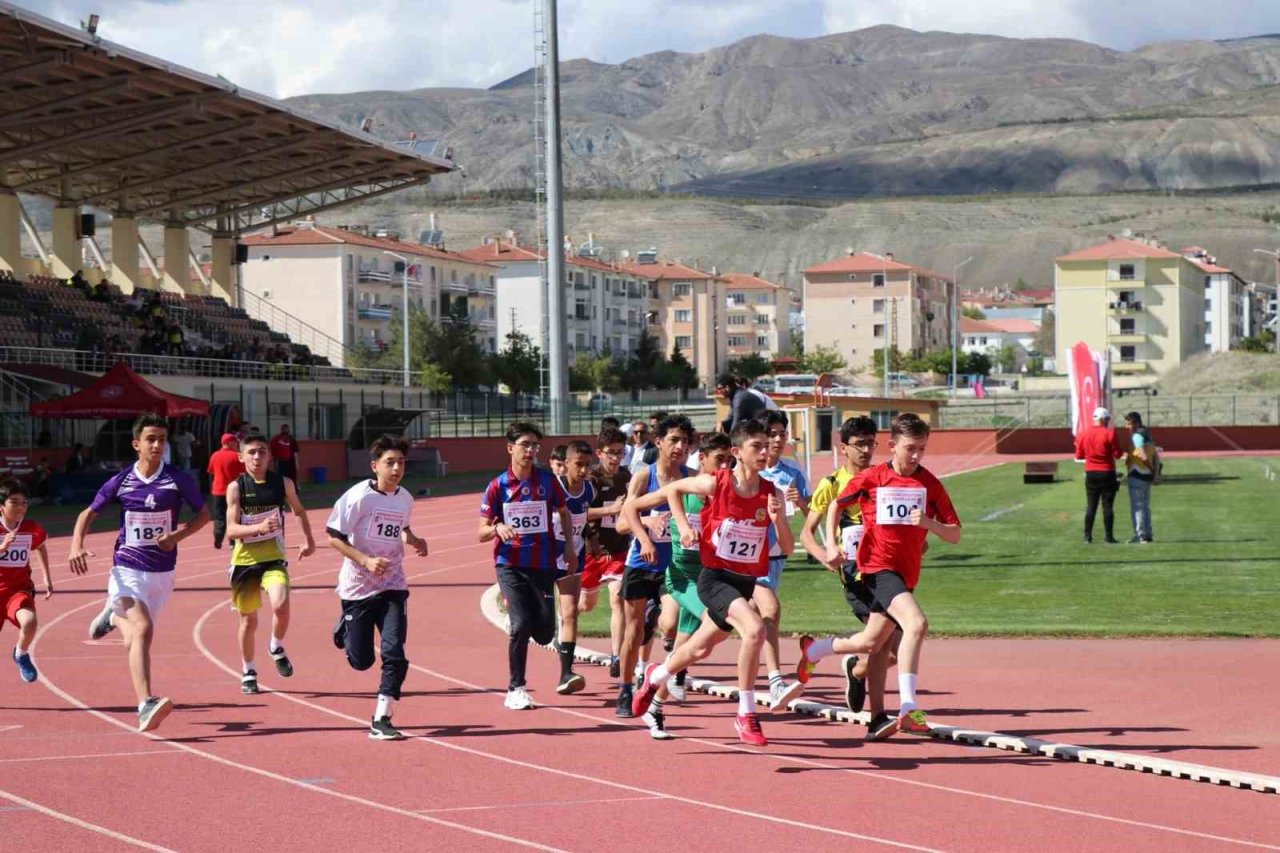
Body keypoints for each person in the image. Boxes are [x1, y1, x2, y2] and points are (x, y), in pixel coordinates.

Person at [796, 413, 961, 738]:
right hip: (875, 568)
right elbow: (836, 506)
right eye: (910, 448)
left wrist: (930, 525)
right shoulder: (873, 478)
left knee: (872, 642)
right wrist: (830, 545)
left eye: (922, 449)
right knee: (916, 624)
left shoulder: (929, 484)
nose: (915, 456)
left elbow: (955, 534)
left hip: (906, 572)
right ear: (893, 446)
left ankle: (815, 650)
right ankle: (908, 708)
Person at [630, 419, 793, 746]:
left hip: (745, 580)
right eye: (756, 447)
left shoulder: (770, 492)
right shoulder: (715, 483)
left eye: (768, 445)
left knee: (699, 648)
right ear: (737, 453)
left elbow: (786, 549)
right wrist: (683, 526)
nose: (765, 452)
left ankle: (656, 676)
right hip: (714, 578)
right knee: (755, 629)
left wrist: (778, 520)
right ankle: (746, 713)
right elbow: (674, 490)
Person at [70, 412, 209, 733]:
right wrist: (76, 545)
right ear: (137, 444)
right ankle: (145, 703)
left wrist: (177, 536)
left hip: (163, 573)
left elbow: (203, 516)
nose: (157, 444)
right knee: (143, 628)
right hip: (127, 568)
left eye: (162, 439)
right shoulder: (122, 480)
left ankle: (112, 616)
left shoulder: (177, 479)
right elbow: (86, 514)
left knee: (134, 640)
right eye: (150, 439)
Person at [618, 432, 732, 739]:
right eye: (718, 460)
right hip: (678, 574)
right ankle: (634, 686)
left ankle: (656, 699)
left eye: (728, 461)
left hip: (711, 575)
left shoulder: (728, 491)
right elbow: (628, 512)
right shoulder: (681, 487)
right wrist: (647, 533)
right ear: (703, 460)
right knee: (706, 623)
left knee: (690, 646)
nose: (723, 466)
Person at [799, 417, 900, 734]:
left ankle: (856, 671)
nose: (867, 450)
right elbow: (806, 533)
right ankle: (878, 716)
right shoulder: (831, 484)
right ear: (843, 448)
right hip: (857, 578)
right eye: (860, 444)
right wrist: (825, 555)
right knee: (882, 646)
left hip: (888, 571)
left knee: (892, 650)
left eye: (872, 443)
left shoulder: (885, 478)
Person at [326, 434, 428, 740]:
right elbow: (333, 536)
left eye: (400, 462)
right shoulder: (357, 497)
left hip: (393, 584)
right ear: (375, 466)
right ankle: (345, 628)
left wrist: (415, 540)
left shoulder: (405, 498)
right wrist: (365, 560)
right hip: (357, 588)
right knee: (361, 661)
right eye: (390, 462)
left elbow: (402, 527)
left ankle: (382, 716)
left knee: (394, 651)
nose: (396, 468)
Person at [478, 422, 576, 711]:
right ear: (511, 448)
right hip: (511, 564)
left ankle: (522, 617)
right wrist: (498, 528)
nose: (531, 450)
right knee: (521, 626)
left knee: (544, 633)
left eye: (535, 445)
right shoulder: (498, 486)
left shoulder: (547, 481)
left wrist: (569, 545)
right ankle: (516, 688)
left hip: (544, 562)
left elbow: (563, 512)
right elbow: (481, 531)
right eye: (525, 445)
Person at [612, 414, 692, 717]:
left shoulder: (690, 477)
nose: (680, 446)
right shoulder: (645, 477)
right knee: (633, 632)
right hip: (641, 563)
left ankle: (658, 626)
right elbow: (622, 523)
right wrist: (647, 525)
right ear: (658, 442)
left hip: (674, 566)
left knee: (670, 622)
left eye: (684, 441)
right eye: (673, 440)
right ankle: (625, 689)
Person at [224, 433, 316, 694]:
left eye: (262, 451)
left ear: (269, 456)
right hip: (244, 562)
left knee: (281, 604)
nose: (257, 456)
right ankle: (248, 670)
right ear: (241, 457)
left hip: (273, 559)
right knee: (248, 622)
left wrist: (308, 539)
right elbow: (230, 530)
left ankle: (275, 646)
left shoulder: (283, 483)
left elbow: (298, 510)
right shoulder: (236, 487)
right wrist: (259, 527)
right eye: (251, 452)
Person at [550, 440, 616, 695]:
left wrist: (593, 542)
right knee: (541, 623)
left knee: (569, 614)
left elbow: (584, 520)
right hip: (545, 558)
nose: (583, 470)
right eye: (578, 464)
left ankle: (566, 673)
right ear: (566, 464)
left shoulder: (588, 489)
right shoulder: (554, 488)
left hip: (572, 559)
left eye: (588, 465)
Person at [755, 409, 809, 710]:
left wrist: (797, 501)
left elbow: (810, 511)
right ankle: (775, 681)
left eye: (782, 434)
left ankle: (676, 663)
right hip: (748, 558)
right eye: (772, 434)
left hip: (776, 557)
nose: (778, 439)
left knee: (750, 622)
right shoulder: (750, 470)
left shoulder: (792, 473)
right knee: (770, 613)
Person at [578, 427, 630, 679]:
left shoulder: (628, 477)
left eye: (621, 453)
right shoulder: (591, 479)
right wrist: (611, 510)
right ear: (600, 453)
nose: (616, 458)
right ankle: (565, 615)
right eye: (611, 453)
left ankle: (616, 656)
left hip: (618, 549)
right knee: (586, 605)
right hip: (592, 550)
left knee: (617, 599)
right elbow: (580, 512)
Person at [0, 480, 51, 683]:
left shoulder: (31, 528)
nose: (21, 506)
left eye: (24, 502)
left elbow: (41, 546)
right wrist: (2, 548)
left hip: (17, 592)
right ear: (1, 506)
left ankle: (21, 653)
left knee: (29, 622)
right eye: (14, 502)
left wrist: (47, 576)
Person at [1075, 407, 1123, 544]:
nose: (1108, 422)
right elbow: (1117, 454)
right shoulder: (1109, 433)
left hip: (1091, 472)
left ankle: (1087, 536)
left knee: (1091, 506)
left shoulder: (1083, 433)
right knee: (1107, 506)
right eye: (1107, 419)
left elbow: (1079, 455)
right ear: (1103, 419)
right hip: (1107, 472)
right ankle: (1109, 536)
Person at [208, 433, 246, 549]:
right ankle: (233, 541)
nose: (237, 444)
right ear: (230, 443)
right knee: (234, 516)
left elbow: (211, 471)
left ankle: (218, 537)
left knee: (219, 516)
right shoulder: (237, 456)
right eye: (235, 442)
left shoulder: (215, 455)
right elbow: (244, 472)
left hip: (217, 491)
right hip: (233, 491)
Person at [1124, 429, 1155, 544]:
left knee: (1137, 507)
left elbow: (1142, 455)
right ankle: (1148, 534)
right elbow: (1156, 457)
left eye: (1128, 423)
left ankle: (1140, 535)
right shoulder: (1149, 439)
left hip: (1137, 475)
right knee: (1145, 506)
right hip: (1146, 476)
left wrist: (1151, 468)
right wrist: (1154, 472)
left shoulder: (1137, 436)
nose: (1126, 426)